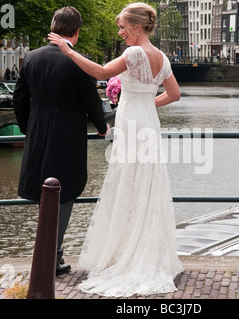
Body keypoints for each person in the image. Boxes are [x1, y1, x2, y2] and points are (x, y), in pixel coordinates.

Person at [48, 2, 183, 297]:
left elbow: (99, 71)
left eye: (123, 26)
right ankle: (146, 250)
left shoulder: (134, 53)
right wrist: (147, 103)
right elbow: (174, 94)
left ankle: (127, 254)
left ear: (137, 27)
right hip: (147, 123)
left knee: (128, 184)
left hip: (132, 126)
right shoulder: (161, 57)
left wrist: (69, 51)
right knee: (146, 186)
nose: (120, 32)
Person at [13, 6, 109, 276]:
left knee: (45, 192)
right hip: (67, 137)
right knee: (64, 193)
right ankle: (52, 258)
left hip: (38, 135)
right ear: (76, 32)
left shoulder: (30, 58)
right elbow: (91, 101)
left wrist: (28, 128)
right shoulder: (78, 60)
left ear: (53, 28)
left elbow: (19, 99)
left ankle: (49, 256)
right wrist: (102, 127)